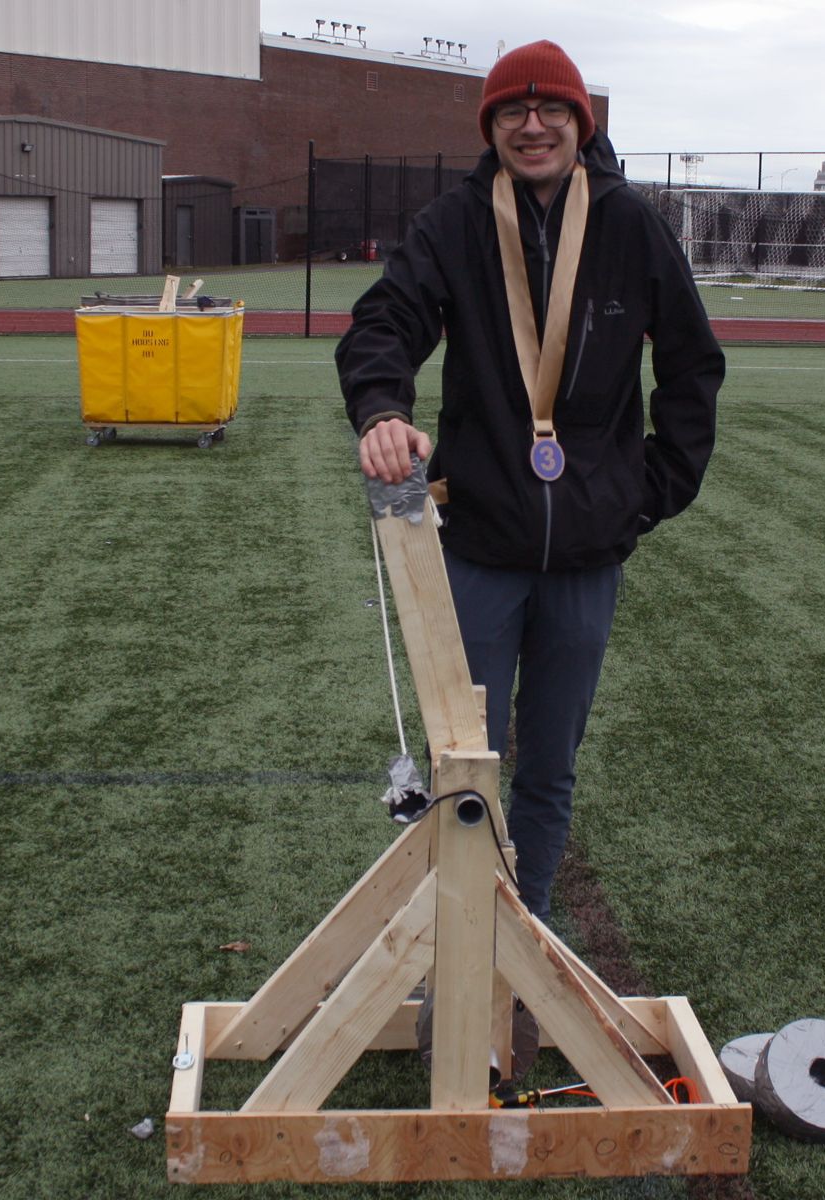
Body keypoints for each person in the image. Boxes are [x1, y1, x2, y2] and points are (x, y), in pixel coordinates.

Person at [337, 40, 722, 921]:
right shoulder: (455, 224)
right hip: (480, 546)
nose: (533, 125)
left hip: (588, 555)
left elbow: (695, 367)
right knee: (464, 767)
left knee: (549, 768)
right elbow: (381, 325)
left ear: (581, 124)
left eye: (552, 111)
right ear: (493, 126)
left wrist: (652, 487)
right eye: (513, 111)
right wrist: (381, 409)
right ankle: (460, 950)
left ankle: (530, 943)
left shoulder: (630, 224)